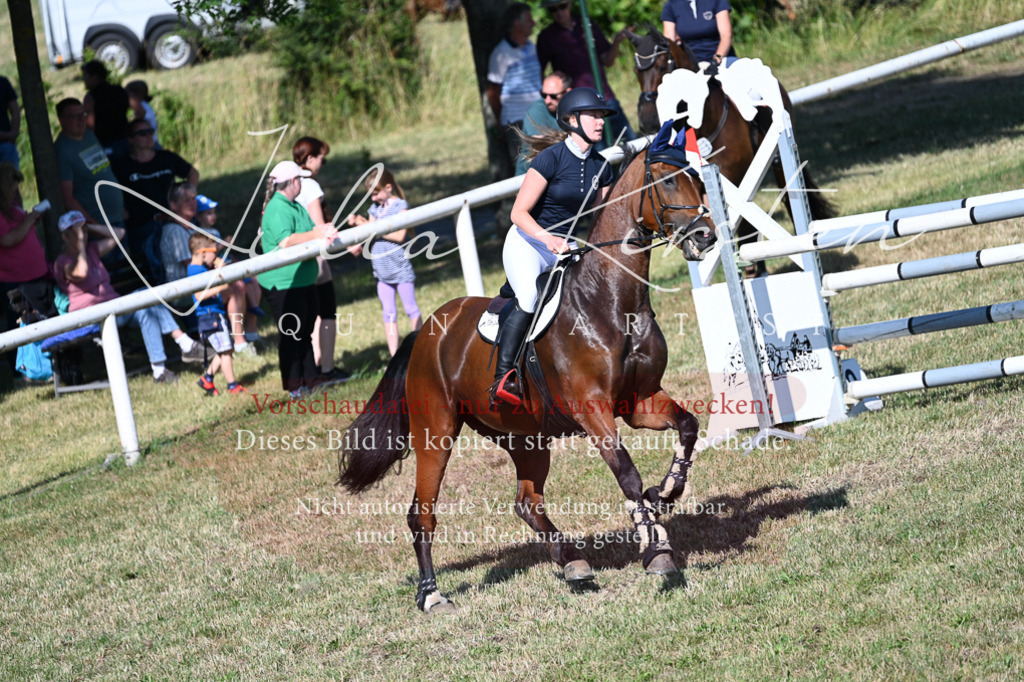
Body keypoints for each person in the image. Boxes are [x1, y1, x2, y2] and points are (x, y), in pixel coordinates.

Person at [490, 87, 614, 408]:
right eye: (594, 116)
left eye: (602, 116)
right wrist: (546, 238)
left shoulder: (603, 167)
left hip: (566, 247)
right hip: (529, 241)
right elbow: (518, 213)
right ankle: (504, 378)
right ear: (572, 120)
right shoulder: (551, 158)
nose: (600, 122)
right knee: (530, 298)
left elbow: (599, 221)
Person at [53, 210, 204, 383]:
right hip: (92, 317)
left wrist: (91, 226)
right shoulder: (62, 262)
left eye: (85, 230)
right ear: (65, 236)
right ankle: (184, 343)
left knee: (148, 309)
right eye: (77, 232)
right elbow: (82, 272)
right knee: (144, 298)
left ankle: (159, 370)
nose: (84, 235)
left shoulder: (91, 250)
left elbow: (119, 234)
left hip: (115, 310)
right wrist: (80, 243)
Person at [258, 161, 338, 397]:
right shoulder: (277, 208)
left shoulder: (295, 206)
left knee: (304, 333)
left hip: (303, 280)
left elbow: (313, 230)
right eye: (300, 179)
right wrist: (316, 233)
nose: (302, 183)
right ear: (292, 182)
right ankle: (295, 387)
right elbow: (286, 241)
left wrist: (325, 232)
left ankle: (311, 381)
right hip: (282, 284)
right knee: (292, 335)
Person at [159, 182, 253, 354]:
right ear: (173, 205)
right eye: (186, 200)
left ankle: (246, 335)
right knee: (235, 289)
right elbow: (193, 265)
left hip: (202, 282)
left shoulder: (193, 228)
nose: (192, 203)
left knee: (244, 283)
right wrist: (220, 251)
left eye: (194, 198)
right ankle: (239, 341)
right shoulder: (174, 230)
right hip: (184, 290)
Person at [292, 136, 353, 383]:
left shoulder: (287, 181)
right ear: (310, 158)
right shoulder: (310, 186)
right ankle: (326, 367)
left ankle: (314, 366)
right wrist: (348, 245)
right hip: (313, 256)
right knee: (326, 310)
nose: (322, 164)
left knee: (311, 311)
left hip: (294, 255)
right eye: (322, 159)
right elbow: (320, 227)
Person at [536, 0, 634, 146]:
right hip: (579, 107)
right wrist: (553, 97)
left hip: (604, 97)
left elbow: (607, 60)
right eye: (553, 10)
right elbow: (541, 73)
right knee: (597, 153)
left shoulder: (587, 25)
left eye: (563, 6)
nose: (559, 12)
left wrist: (617, 42)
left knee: (630, 145)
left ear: (570, 4)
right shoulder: (546, 37)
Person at [347, 167, 422, 357]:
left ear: (388, 187)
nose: (373, 199)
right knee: (389, 313)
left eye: (375, 193)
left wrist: (371, 227)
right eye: (370, 195)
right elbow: (369, 234)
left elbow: (399, 235)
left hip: (400, 269)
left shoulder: (400, 206)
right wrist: (357, 245)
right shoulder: (375, 209)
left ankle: (418, 347)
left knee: (411, 308)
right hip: (381, 272)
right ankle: (394, 355)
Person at [111, 117, 198, 257]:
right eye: (142, 133)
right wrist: (121, 210)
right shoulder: (122, 166)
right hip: (142, 227)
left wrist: (189, 197)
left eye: (150, 131)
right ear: (131, 139)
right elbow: (110, 192)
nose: (148, 136)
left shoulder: (166, 157)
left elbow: (193, 173)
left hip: (173, 220)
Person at [0, 163, 49, 372]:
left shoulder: (13, 210)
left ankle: (43, 364)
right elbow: (8, 239)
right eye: (12, 187)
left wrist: (31, 221)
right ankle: (20, 369)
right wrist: (28, 223)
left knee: (42, 320)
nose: (15, 191)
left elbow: (21, 232)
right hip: (14, 280)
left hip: (36, 275)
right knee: (17, 324)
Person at [54, 98, 125, 230]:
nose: (81, 120)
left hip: (117, 217)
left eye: (83, 114)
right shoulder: (62, 150)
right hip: (98, 222)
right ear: (61, 119)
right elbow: (67, 197)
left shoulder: (90, 136)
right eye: (75, 116)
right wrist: (93, 226)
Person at [487, 2, 542, 170]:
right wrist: (500, 122)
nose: (533, 23)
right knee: (525, 166)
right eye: (529, 19)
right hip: (517, 119)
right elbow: (493, 92)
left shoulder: (531, 47)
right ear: (517, 24)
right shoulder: (501, 54)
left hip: (537, 114)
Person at [188, 233, 244, 395]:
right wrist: (221, 288)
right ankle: (232, 386)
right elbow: (198, 296)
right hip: (210, 316)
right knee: (226, 351)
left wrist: (220, 266)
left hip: (214, 315)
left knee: (225, 348)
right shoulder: (196, 271)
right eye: (215, 252)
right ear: (203, 252)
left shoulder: (201, 268)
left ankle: (208, 378)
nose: (216, 255)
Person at [515, 72, 572, 175]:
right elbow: (543, 146)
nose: (547, 100)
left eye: (553, 96)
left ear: (568, 92)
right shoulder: (536, 110)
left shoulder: (575, 108)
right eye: (544, 94)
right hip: (531, 174)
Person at [662, 0, 737, 67]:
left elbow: (726, 35)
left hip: (721, 59)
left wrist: (717, 59)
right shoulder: (671, 5)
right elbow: (669, 41)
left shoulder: (717, 1)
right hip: (690, 62)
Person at [81, 60, 130, 156]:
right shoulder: (119, 90)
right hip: (125, 139)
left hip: (104, 143)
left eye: (85, 75)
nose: (83, 79)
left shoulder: (90, 97)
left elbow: (90, 125)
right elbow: (139, 109)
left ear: (94, 76)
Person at [125, 80, 159, 147]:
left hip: (150, 145)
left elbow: (138, 119)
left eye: (127, 95)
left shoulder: (141, 108)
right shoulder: (145, 106)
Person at [0, 76, 21, 170]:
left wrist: (13, 133)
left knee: (12, 181)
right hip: (6, 142)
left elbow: (15, 109)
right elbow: (15, 109)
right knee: (12, 181)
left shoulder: (2, 82)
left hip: (6, 144)